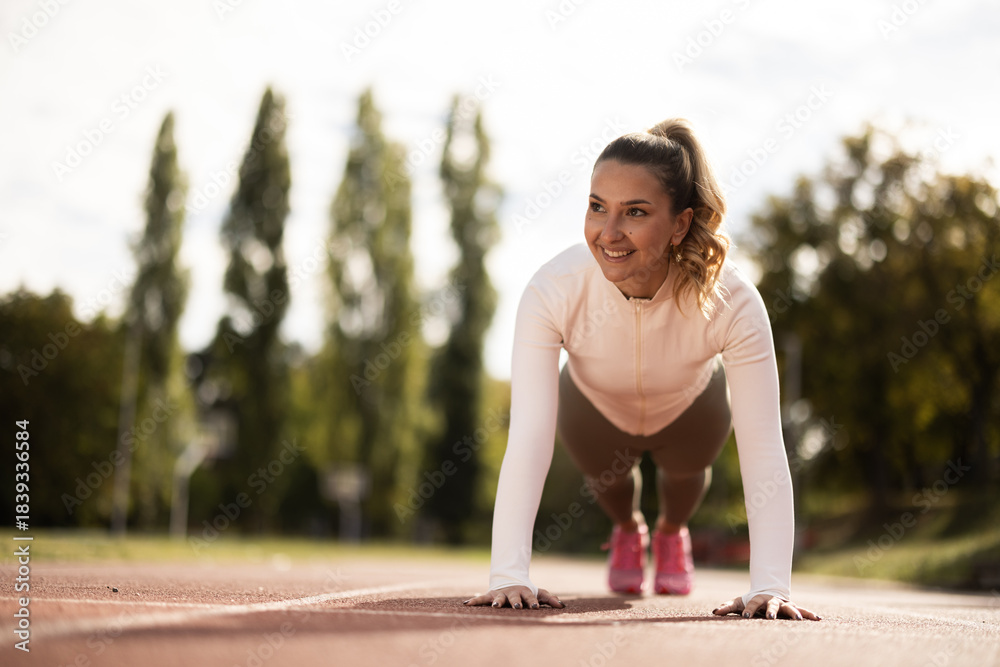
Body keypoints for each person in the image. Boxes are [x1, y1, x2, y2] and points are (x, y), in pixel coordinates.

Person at [463, 119, 821, 621]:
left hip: (691, 407)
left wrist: (769, 585)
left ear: (680, 223)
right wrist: (509, 575)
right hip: (594, 406)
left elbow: (763, 445)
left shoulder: (732, 301)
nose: (608, 233)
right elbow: (529, 435)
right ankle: (629, 531)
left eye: (635, 212)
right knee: (610, 485)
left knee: (685, 479)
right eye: (596, 207)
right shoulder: (552, 290)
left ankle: (673, 533)